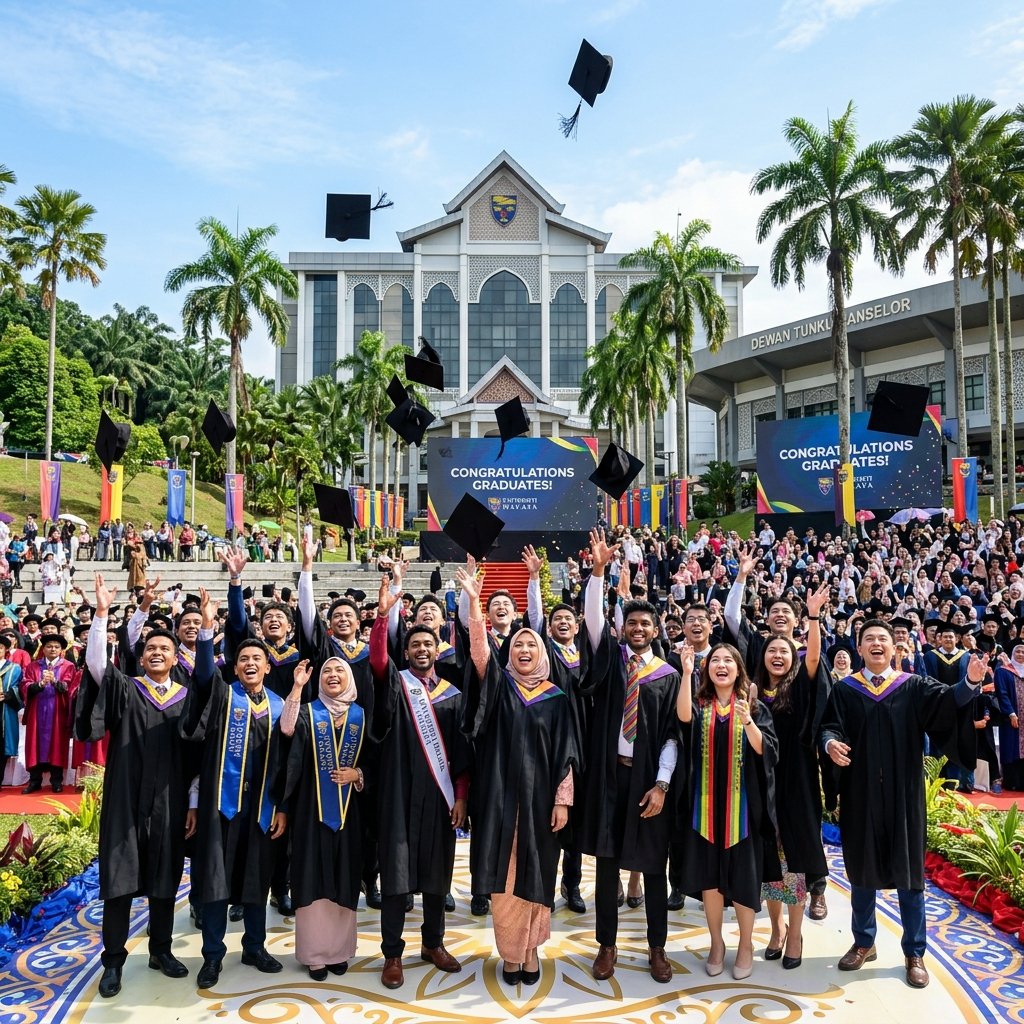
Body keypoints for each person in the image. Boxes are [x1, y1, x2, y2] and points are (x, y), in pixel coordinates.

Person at [820, 618, 987, 990]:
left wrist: (971, 681)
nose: (877, 644)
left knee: (910, 873)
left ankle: (914, 951)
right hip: (861, 792)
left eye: (883, 639)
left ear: (895, 648)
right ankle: (864, 942)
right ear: (859, 649)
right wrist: (830, 744)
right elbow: (828, 726)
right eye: (869, 640)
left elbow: (949, 702)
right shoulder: (846, 690)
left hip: (904, 793)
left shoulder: (912, 686)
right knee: (861, 868)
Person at [460, 566, 577, 987]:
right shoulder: (500, 686)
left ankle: (532, 949)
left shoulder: (556, 698)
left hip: (542, 802)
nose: (525, 648)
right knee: (504, 877)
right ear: (509, 652)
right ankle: (511, 954)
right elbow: (479, 653)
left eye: (532, 643)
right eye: (518, 643)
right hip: (498, 798)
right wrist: (475, 602)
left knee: (540, 870)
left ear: (542, 652)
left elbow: (567, 753)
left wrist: (563, 799)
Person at [83, 573, 195, 999]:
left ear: (173, 658)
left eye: (164, 649)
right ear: (141, 656)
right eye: (150, 648)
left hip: (169, 801)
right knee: (121, 879)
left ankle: (160, 951)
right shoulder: (127, 690)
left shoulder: (185, 700)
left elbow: (198, 757)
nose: (157, 653)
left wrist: (193, 802)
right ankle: (112, 962)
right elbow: (97, 666)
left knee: (165, 878)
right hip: (126, 802)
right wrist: (101, 615)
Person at [580, 530, 681, 985]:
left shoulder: (669, 676)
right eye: (631, 624)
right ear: (623, 629)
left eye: (646, 625)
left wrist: (661, 785)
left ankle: (657, 948)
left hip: (647, 783)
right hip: (610, 777)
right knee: (605, 865)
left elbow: (674, 737)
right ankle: (607, 945)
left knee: (653, 867)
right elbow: (593, 622)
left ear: (656, 631)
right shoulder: (611, 661)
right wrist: (599, 573)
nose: (637, 630)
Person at [181, 587, 289, 991]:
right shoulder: (224, 696)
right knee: (215, 881)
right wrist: (208, 629)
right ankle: (212, 956)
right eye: (242, 658)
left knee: (256, 881)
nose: (249, 663)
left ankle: (255, 946)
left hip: (261, 811)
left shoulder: (280, 707)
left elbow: (288, 764)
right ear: (236, 666)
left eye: (256, 659)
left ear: (265, 668)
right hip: (220, 808)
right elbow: (205, 675)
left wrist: (282, 808)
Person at [369, 577, 469, 989]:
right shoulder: (397, 684)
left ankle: (433, 943)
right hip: (398, 794)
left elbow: (463, 754)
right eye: (415, 646)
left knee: (435, 875)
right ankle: (392, 953)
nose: (423, 650)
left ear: (437, 649)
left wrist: (460, 797)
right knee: (394, 877)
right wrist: (381, 617)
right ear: (406, 652)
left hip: (439, 799)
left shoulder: (453, 695)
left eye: (428, 645)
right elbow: (377, 661)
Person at [755, 582, 831, 969]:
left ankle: (796, 932)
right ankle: (775, 928)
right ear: (763, 658)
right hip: (763, 783)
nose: (778, 656)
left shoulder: (799, 687)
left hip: (797, 782)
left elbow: (815, 657)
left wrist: (813, 617)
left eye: (784, 651)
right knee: (770, 857)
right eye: (772, 651)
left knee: (796, 857)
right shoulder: (751, 693)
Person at [280, 656, 367, 980]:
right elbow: (286, 730)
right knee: (311, 877)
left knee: (344, 876)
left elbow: (375, 760)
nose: (333, 675)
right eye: (327, 671)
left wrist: (357, 773)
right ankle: (314, 954)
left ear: (350, 679)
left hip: (348, 814)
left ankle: (339, 951)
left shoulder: (361, 716)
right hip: (310, 811)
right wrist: (297, 688)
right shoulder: (307, 712)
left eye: (339, 671)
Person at [21, 632, 79, 793]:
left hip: (57, 712)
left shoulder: (68, 666)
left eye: (56, 647)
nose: (53, 649)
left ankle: (56, 781)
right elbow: (25, 685)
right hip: (37, 712)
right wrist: (40, 684)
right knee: (34, 744)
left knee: (57, 744)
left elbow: (70, 688)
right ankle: (34, 781)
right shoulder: (34, 666)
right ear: (43, 649)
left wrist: (54, 681)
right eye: (49, 646)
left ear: (61, 649)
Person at [994, 644, 1024, 791]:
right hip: (1010, 718)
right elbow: (1002, 694)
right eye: (1017, 651)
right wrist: (1011, 713)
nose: (1020, 654)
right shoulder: (1003, 672)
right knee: (1011, 749)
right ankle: (1012, 782)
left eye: (1023, 652)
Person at [0, 634, 24, 786]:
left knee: (1, 746)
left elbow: (19, 689)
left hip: (4, 711)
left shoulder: (14, 668)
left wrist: (7, 695)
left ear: (5, 649)